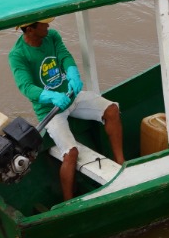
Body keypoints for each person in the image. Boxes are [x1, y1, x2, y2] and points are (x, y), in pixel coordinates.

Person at [10, 17, 125, 202]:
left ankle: (121, 164)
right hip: (51, 110)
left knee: (111, 110)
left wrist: (72, 73)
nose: (48, 25)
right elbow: (26, 87)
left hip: (71, 95)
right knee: (71, 153)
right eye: (43, 24)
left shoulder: (52, 36)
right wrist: (52, 97)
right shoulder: (18, 55)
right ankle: (68, 201)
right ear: (30, 29)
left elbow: (64, 56)